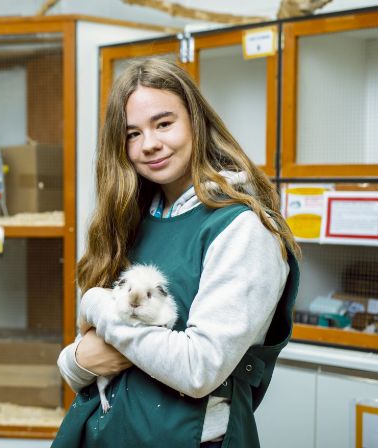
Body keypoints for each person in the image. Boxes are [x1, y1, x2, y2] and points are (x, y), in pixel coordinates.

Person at [51, 57, 300, 448]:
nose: (149, 144)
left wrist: (99, 305)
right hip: (106, 431)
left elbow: (197, 368)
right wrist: (76, 361)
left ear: (195, 121)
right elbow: (88, 352)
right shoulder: (129, 219)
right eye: (132, 133)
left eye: (164, 123)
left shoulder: (241, 228)